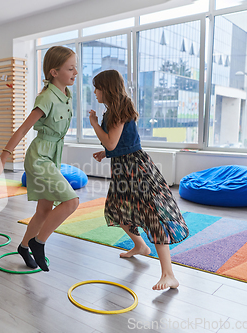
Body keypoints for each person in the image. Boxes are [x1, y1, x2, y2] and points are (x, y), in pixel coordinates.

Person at [89, 69, 189, 290]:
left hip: (135, 170)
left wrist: (94, 123)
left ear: (106, 88)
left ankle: (168, 274)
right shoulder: (116, 109)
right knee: (117, 210)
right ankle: (140, 246)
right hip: (123, 169)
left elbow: (112, 143)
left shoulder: (116, 110)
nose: (94, 92)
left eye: (97, 87)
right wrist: (105, 153)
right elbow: (123, 143)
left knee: (153, 215)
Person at [0, 46, 80, 271]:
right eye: (70, 68)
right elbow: (22, 129)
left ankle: (24, 247)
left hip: (53, 156)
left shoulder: (66, 95)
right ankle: (39, 243)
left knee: (44, 211)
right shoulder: (46, 97)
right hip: (39, 158)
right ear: (54, 72)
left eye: (75, 67)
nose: (75, 72)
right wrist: (3, 159)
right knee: (71, 202)